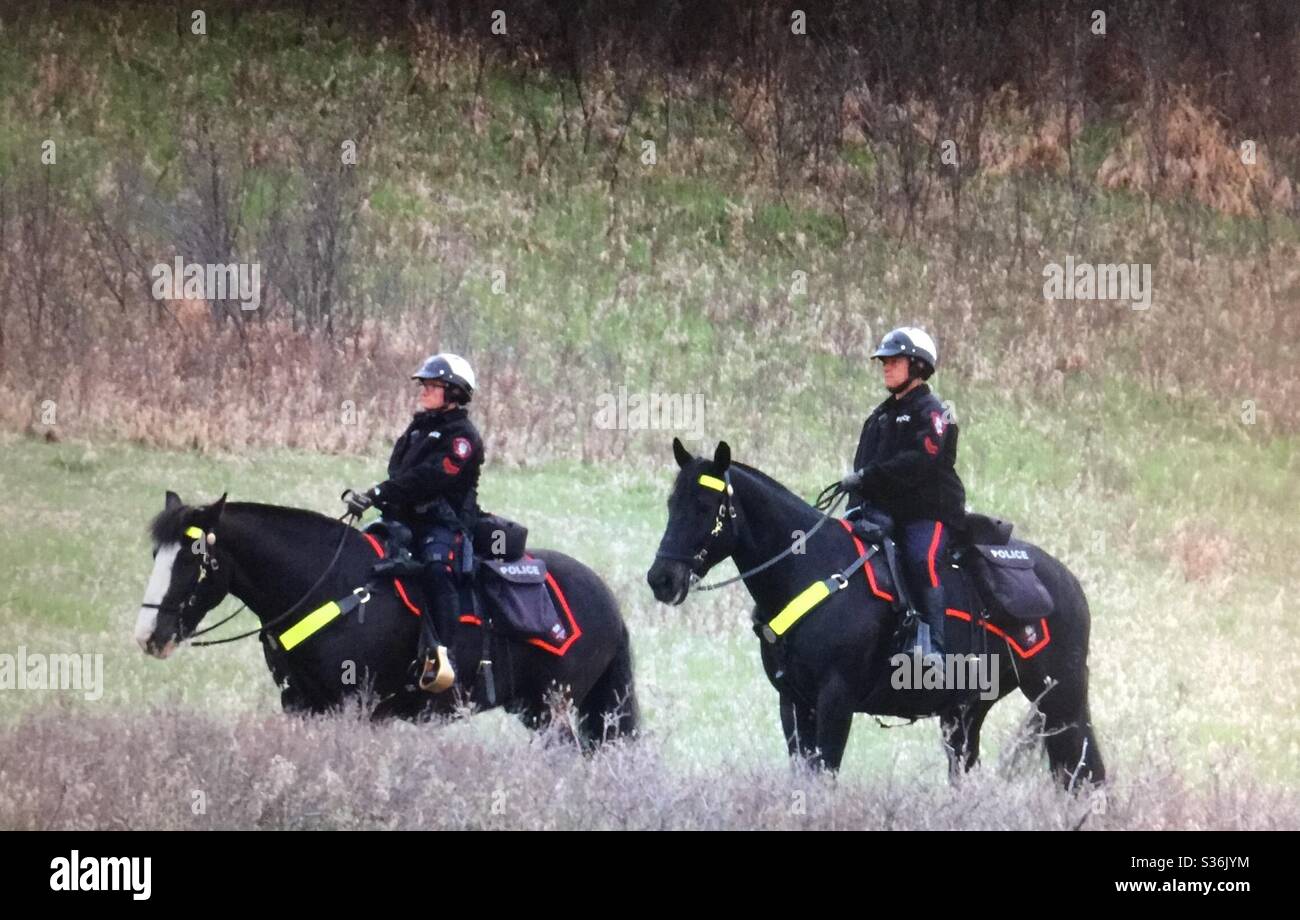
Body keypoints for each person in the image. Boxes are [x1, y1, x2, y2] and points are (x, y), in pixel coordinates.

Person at [347, 353, 484, 692]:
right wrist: (382, 499)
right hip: (404, 518)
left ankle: (442, 657)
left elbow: (429, 478)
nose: (423, 391)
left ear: (453, 393)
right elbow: (402, 474)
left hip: (442, 524)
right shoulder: (419, 428)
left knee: (437, 570)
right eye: (424, 385)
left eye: (432, 386)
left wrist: (378, 492)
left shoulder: (462, 438)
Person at [839, 327, 965, 658]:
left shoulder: (935, 412)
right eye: (884, 361)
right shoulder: (879, 416)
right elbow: (864, 463)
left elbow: (920, 462)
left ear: (918, 367)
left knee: (921, 559)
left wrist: (868, 477)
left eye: (894, 361)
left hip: (928, 512)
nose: (886, 367)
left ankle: (933, 644)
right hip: (886, 509)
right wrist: (856, 504)